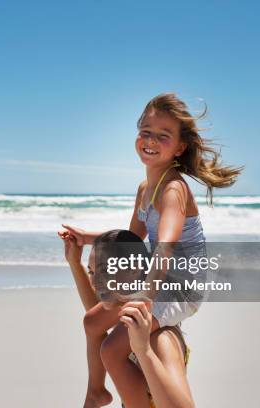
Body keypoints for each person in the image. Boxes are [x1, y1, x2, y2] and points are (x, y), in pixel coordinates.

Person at [58, 93, 242, 407]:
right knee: (92, 322)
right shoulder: (146, 189)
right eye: (145, 131)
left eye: (162, 135)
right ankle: (97, 391)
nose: (150, 140)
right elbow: (132, 238)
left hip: (181, 287)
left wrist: (145, 296)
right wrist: (87, 238)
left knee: (114, 347)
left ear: (180, 147)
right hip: (161, 278)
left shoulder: (173, 189)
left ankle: (123, 400)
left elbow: (165, 247)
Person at [60, 229, 195, 408]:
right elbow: (94, 321)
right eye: (92, 272)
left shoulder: (160, 340)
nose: (95, 282)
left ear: (133, 270)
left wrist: (143, 350)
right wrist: (74, 263)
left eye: (105, 270)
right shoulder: (128, 320)